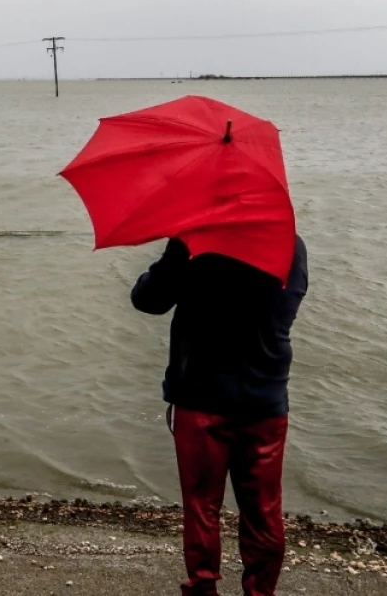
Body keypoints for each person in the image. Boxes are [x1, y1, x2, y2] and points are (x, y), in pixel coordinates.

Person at [131, 235, 309, 596]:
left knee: (201, 506)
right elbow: (289, 303)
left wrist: (176, 254)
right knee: (264, 509)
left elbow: (148, 299)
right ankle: (260, 592)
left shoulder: (194, 240)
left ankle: (202, 587)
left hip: (202, 399)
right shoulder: (290, 243)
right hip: (265, 399)